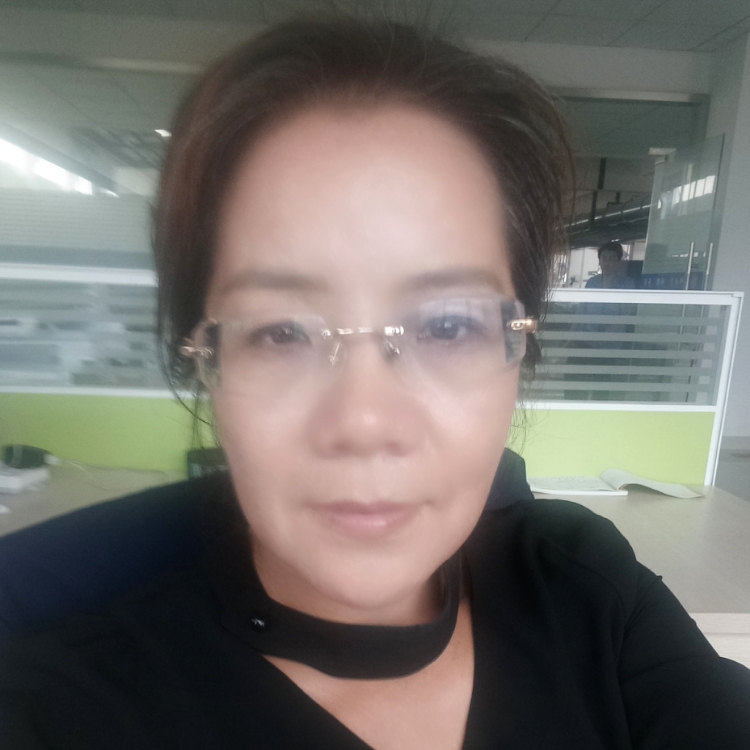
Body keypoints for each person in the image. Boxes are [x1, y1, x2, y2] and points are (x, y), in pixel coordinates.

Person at [1, 15, 749, 750]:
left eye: (447, 326)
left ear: (520, 351)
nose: (364, 422)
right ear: (200, 358)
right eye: (281, 331)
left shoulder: (585, 590)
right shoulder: (59, 712)